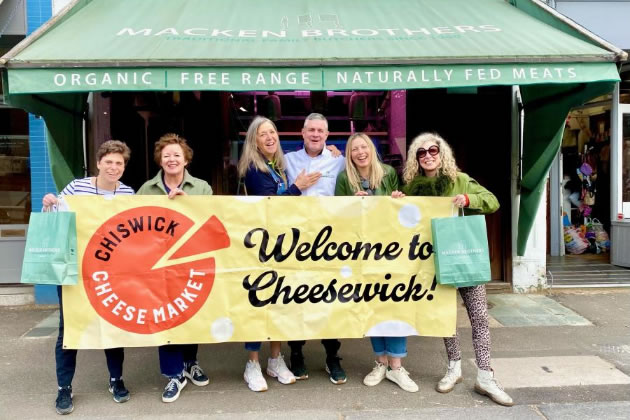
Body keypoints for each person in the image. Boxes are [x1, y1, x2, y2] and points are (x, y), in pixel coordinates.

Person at [402, 132, 513, 406]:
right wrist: (397, 201)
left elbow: (492, 201)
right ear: (416, 158)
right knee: (445, 317)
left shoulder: (460, 180)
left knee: (479, 317)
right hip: (432, 262)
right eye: (421, 152)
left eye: (433, 150)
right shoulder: (413, 188)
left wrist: (468, 199)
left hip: (463, 257)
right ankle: (454, 367)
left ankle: (486, 375)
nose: (428, 155)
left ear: (442, 154)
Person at [42, 140, 135, 415]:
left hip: (111, 273)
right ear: (98, 163)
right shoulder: (76, 188)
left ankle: (116, 380)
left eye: (119, 163)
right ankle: (64, 388)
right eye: (109, 162)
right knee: (69, 329)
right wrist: (49, 203)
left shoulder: (128, 193)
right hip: (75, 269)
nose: (113, 167)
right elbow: (57, 217)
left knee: (113, 324)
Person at [236, 116, 321, 391]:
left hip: (282, 246)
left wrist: (332, 150)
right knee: (258, 303)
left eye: (272, 132)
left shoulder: (279, 165)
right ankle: (252, 363)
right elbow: (270, 205)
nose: (270, 137)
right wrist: (298, 187)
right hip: (259, 247)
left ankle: (274, 358)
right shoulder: (253, 167)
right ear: (254, 140)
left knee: (279, 303)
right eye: (263, 134)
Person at [334, 133, 418, 392]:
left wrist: (397, 199)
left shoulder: (389, 172)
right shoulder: (343, 178)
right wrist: (352, 204)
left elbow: (400, 208)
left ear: (371, 149)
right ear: (349, 154)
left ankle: (396, 366)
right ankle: (380, 362)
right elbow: (336, 214)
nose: (360, 152)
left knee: (394, 304)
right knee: (371, 305)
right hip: (361, 251)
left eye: (363, 147)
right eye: (354, 149)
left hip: (391, 249)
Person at [137, 133, 212, 403]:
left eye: (176, 155)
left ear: (186, 159)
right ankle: (173, 374)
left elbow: (210, 225)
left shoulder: (202, 187)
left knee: (190, 313)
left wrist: (187, 206)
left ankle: (190, 362)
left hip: (192, 265)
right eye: (166, 155)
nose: (171, 159)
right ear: (160, 159)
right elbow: (136, 229)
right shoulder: (146, 189)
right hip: (158, 268)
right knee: (165, 317)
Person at [284, 113, 347, 384]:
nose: (315, 134)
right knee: (294, 298)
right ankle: (296, 353)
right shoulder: (287, 160)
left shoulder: (338, 160)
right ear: (302, 132)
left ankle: (332, 356)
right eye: (311, 129)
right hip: (294, 240)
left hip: (328, 241)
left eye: (320, 130)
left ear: (327, 134)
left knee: (329, 298)